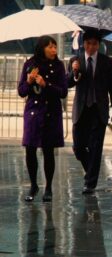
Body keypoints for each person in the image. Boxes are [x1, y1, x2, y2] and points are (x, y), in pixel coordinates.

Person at [68, 30, 112, 194]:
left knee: (96, 147)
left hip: (99, 110)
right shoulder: (75, 60)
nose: (91, 47)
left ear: (99, 45)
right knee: (78, 148)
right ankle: (91, 171)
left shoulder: (107, 62)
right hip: (81, 109)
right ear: (83, 44)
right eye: (88, 43)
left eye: (94, 44)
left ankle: (90, 183)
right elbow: (68, 83)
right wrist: (74, 72)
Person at [18, 35, 68, 202]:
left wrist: (46, 85)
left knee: (48, 151)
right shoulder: (30, 64)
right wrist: (28, 81)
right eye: (50, 47)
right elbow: (22, 91)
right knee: (30, 149)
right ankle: (33, 184)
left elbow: (63, 92)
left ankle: (48, 187)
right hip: (33, 112)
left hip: (51, 112)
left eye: (55, 46)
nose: (54, 50)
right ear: (42, 48)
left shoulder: (59, 66)